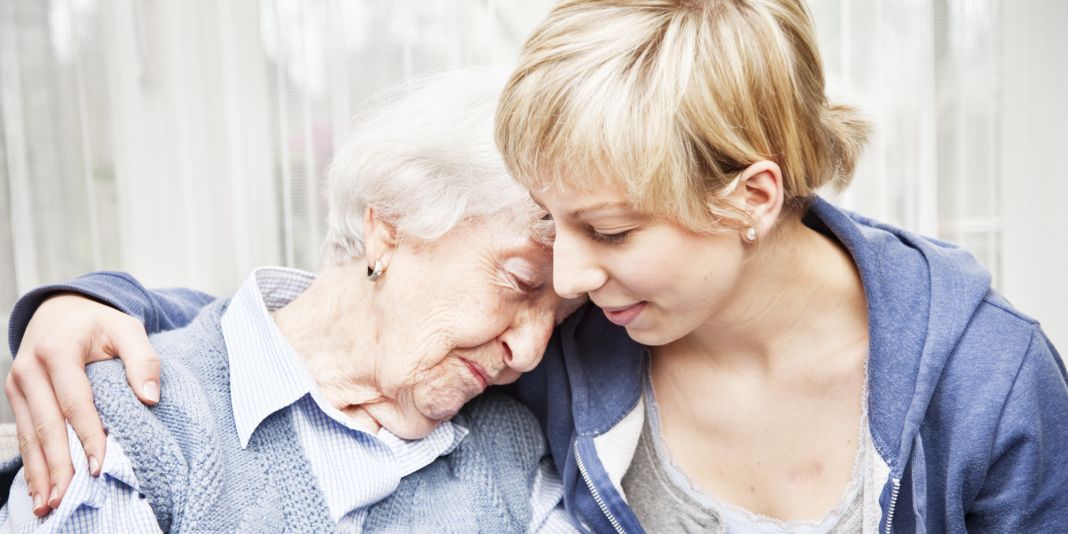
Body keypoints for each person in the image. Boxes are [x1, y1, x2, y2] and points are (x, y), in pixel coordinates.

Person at [7, 1, 1068, 532]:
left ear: (750, 197)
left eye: (602, 233)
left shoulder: (985, 387)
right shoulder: (593, 330)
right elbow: (304, 341)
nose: (563, 284)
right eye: (541, 251)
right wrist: (83, 305)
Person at [0, 69, 581, 532]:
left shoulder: (508, 451)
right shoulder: (134, 416)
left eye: (557, 317)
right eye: (522, 281)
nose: (529, 352)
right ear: (392, 227)